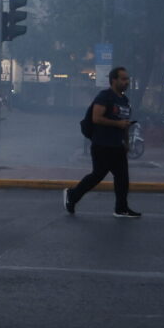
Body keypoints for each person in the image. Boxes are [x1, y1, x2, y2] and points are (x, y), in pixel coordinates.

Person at [64, 66, 141, 218]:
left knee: (122, 177)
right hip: (102, 144)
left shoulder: (124, 100)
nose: (127, 82)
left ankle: (121, 208)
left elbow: (124, 123)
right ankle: (72, 195)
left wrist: (126, 142)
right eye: (123, 79)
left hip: (117, 145)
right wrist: (117, 124)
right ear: (114, 80)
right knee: (97, 176)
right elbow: (96, 118)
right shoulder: (105, 96)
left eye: (127, 79)